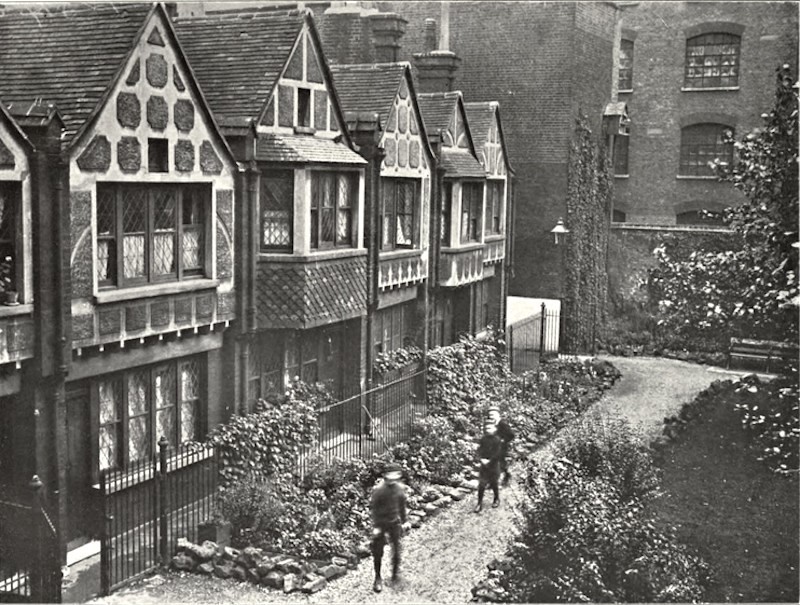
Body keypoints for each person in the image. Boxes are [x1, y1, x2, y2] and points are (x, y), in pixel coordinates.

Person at [370, 462, 411, 592]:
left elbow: (402, 506)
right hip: (381, 523)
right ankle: (377, 578)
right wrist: (376, 527)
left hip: (394, 523)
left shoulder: (400, 489)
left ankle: (394, 575)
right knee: (378, 552)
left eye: (395, 476)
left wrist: (405, 521)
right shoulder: (379, 490)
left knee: (397, 549)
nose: (392, 480)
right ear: (385, 476)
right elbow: (374, 509)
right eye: (390, 476)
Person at [474, 421, 503, 513]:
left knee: (494, 483)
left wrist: (490, 461)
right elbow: (479, 450)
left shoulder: (497, 440)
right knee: (481, 484)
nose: (488, 430)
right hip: (484, 465)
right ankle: (479, 503)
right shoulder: (483, 439)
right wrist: (481, 459)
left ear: (495, 429)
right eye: (487, 428)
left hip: (493, 465)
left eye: (490, 428)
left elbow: (498, 453)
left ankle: (496, 498)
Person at [488, 406, 515, 486]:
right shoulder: (493, 424)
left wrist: (503, 440)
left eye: (493, 415)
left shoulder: (503, 424)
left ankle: (506, 476)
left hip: (502, 448)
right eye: (490, 415)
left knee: (500, 464)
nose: (491, 417)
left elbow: (511, 435)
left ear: (497, 415)